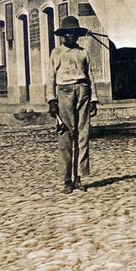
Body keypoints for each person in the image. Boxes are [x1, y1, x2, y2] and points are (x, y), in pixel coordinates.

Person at [46, 16, 99, 194]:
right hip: (64, 93)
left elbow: (90, 76)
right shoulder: (56, 53)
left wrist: (93, 100)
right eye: (67, 32)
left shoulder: (83, 52)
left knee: (83, 135)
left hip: (83, 91)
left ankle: (79, 177)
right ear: (63, 35)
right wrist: (51, 100)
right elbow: (50, 78)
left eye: (74, 33)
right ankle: (66, 179)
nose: (71, 36)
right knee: (66, 136)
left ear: (77, 35)